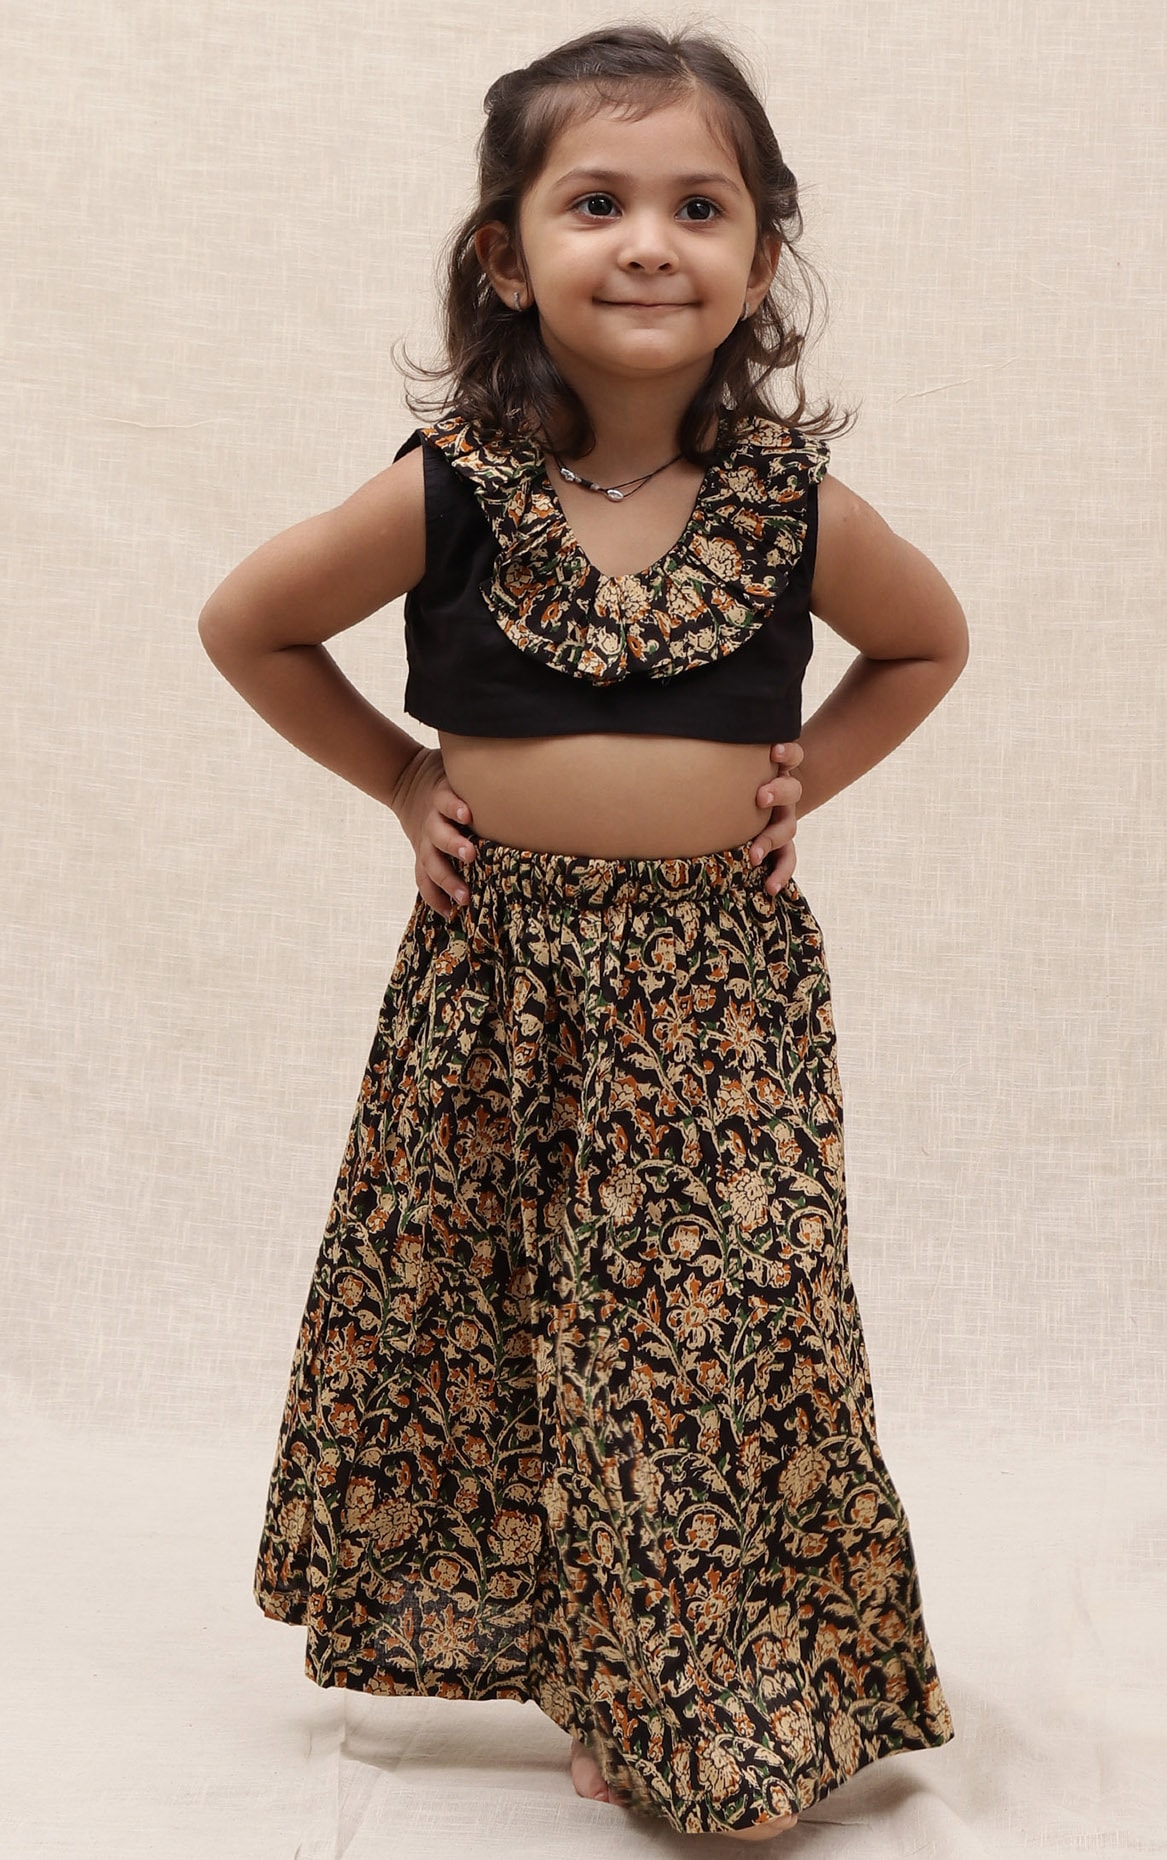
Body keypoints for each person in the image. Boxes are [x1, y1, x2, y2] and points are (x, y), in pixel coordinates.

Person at [198, 24, 968, 1844]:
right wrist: (403, 779)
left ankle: (710, 1695)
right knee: (522, 1325)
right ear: (505, 254)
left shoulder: (792, 503)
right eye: (596, 202)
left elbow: (928, 644)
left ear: (759, 262)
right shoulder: (453, 484)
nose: (648, 243)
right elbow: (249, 623)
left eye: (701, 208)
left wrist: (806, 777)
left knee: (708, 1340)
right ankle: (605, 1669)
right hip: (503, 984)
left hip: (715, 993)